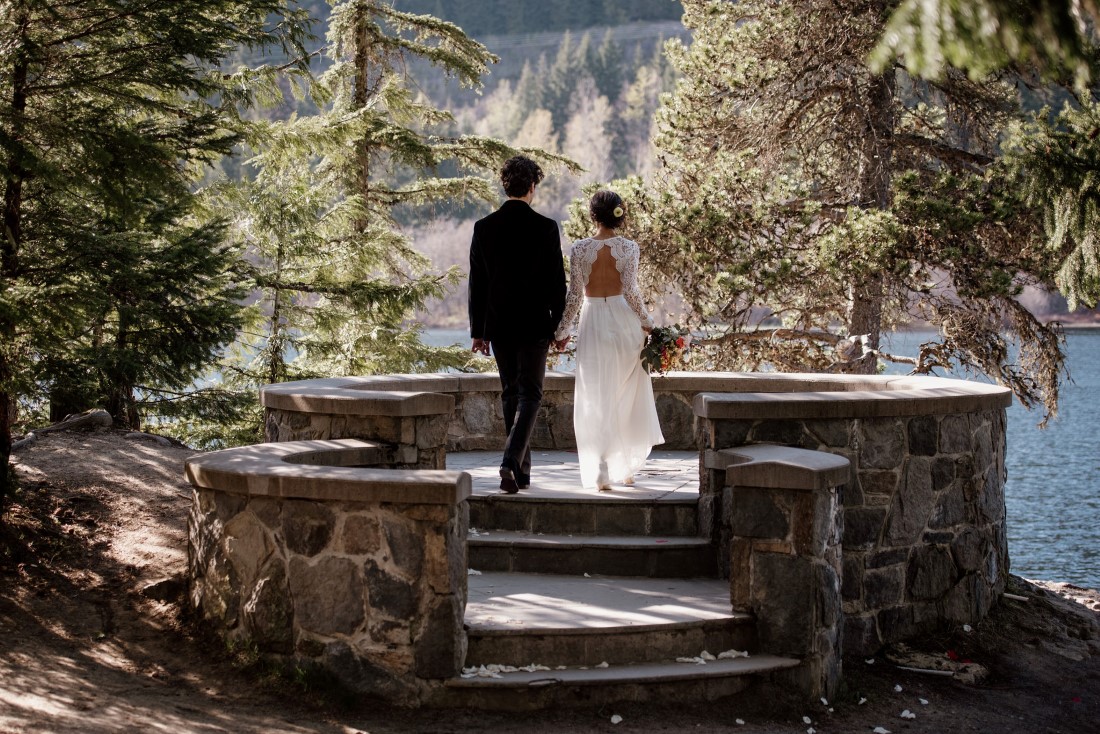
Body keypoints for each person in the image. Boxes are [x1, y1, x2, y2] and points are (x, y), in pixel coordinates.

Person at [554, 190, 664, 490]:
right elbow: (631, 291)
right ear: (619, 214)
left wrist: (562, 331)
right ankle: (624, 466)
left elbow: (575, 295)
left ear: (593, 215)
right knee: (624, 391)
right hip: (623, 320)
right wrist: (647, 322)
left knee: (596, 395)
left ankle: (603, 468)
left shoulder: (579, 249)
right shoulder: (629, 248)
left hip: (593, 322)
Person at [469, 155, 567, 493]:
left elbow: (477, 284)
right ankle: (511, 461)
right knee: (531, 395)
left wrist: (478, 332)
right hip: (535, 324)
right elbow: (558, 284)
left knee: (512, 391)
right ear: (532, 187)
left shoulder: (484, 228)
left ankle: (521, 474)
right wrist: (560, 329)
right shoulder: (545, 228)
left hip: (499, 326)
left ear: (505, 186)